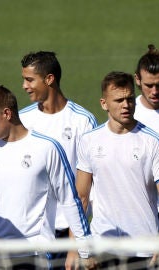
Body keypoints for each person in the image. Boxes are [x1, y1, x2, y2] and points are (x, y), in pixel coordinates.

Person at [0, 84, 94, 270]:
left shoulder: (46, 148)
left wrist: (84, 250)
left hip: (36, 253)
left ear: (6, 113)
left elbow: (70, 200)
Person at [75, 71, 159, 269]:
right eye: (119, 100)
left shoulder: (153, 142)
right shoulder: (89, 141)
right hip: (103, 245)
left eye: (130, 99)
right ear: (104, 103)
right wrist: (82, 248)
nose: (126, 105)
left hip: (144, 247)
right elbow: (81, 197)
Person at [19, 51, 98, 269]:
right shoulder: (23, 120)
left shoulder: (83, 121)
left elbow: (87, 187)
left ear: (49, 79)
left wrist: (76, 245)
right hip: (32, 231)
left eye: (29, 80)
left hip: (68, 230)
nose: (24, 86)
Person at [133, 44, 159, 229]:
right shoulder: (128, 112)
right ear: (137, 79)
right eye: (149, 85)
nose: (154, 92)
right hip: (140, 210)